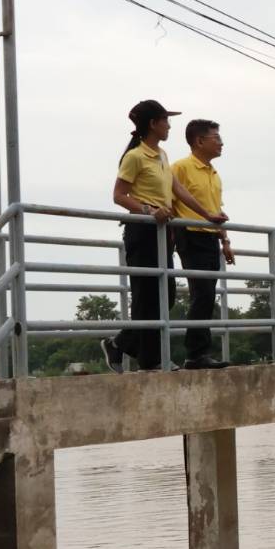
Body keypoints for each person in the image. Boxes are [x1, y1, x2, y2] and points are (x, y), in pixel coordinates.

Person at [102, 100, 228, 373]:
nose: (169, 125)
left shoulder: (161, 155)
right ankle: (151, 360)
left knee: (165, 295)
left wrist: (208, 215)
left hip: (162, 232)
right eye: (165, 120)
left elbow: (178, 190)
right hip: (142, 230)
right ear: (153, 124)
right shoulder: (135, 156)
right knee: (147, 295)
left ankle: (123, 344)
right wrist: (148, 210)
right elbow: (118, 195)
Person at [172, 119, 236, 369]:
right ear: (199, 141)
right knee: (203, 293)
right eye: (216, 137)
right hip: (190, 233)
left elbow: (216, 209)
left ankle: (199, 353)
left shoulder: (213, 173)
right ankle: (195, 354)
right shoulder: (181, 168)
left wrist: (225, 239)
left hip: (210, 237)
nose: (221, 142)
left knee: (208, 296)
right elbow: (171, 201)